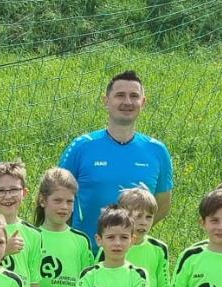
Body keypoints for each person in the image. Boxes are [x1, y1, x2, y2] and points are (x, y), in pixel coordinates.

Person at [58, 70, 174, 245]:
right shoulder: (82, 146)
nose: (127, 102)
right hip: (86, 252)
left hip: (131, 255)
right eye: (120, 95)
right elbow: (57, 196)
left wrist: (132, 236)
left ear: (143, 102)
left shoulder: (157, 150)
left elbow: (162, 205)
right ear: (106, 101)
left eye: (134, 96)